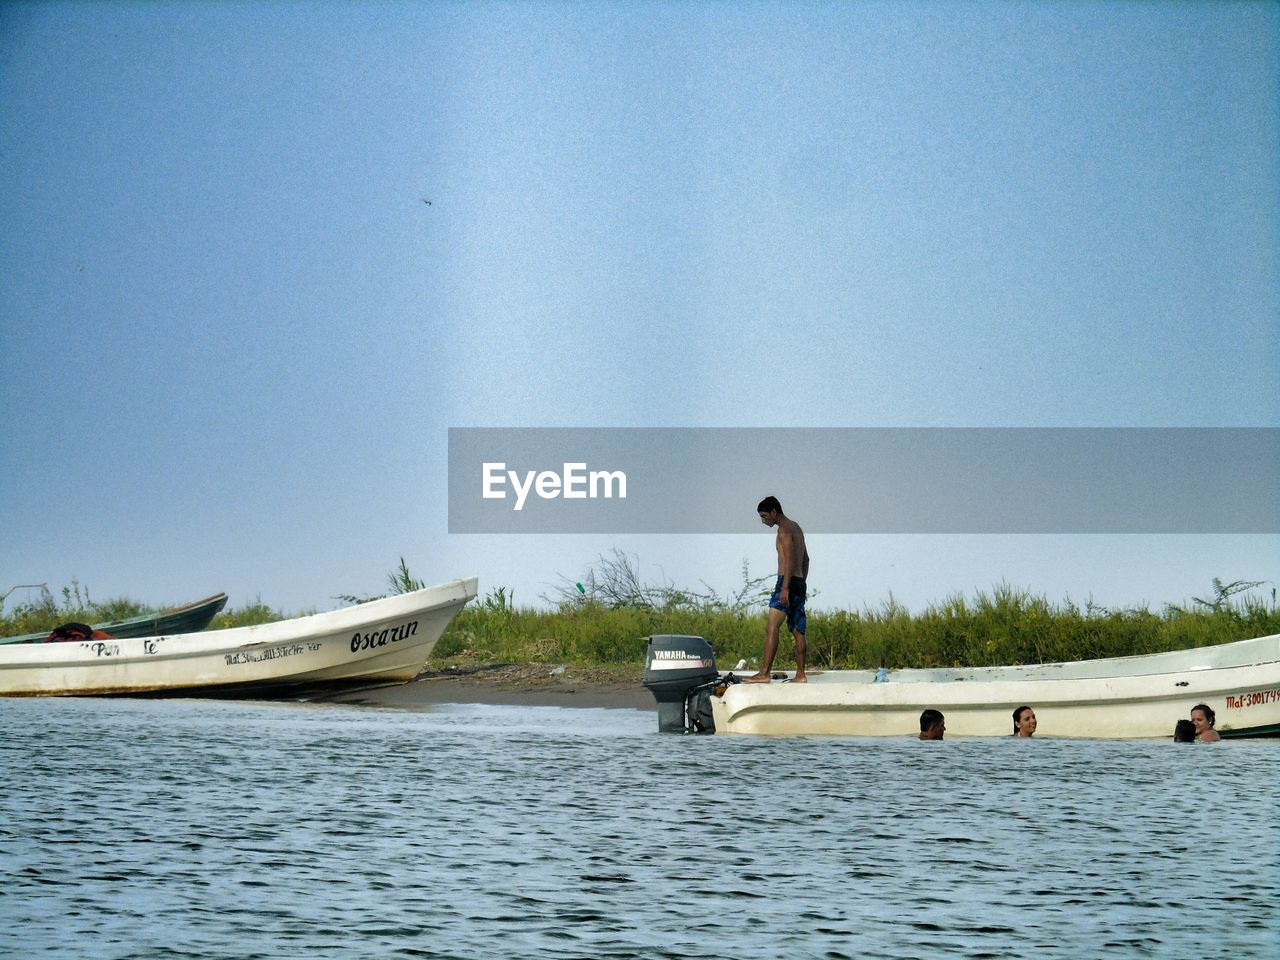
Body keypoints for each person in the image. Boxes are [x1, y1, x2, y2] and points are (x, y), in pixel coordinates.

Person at [746, 495, 810, 683]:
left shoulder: (783, 530)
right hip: (799, 582)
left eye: (765, 516)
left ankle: (764, 673)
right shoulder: (796, 527)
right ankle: (801, 675)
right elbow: (806, 559)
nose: (763, 520)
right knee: (798, 629)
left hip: (786, 582)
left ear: (774, 512)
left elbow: (789, 560)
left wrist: (785, 589)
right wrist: (802, 584)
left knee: (771, 627)